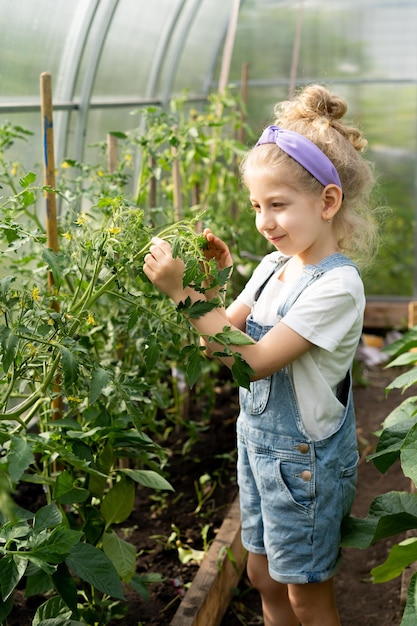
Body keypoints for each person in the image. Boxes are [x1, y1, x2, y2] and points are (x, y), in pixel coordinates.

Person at [143, 83, 378, 626]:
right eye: (256, 205)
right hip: (258, 447)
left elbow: (252, 361)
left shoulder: (335, 286)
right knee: (261, 576)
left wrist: (184, 296)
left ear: (327, 201)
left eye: (278, 205)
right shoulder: (274, 266)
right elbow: (220, 339)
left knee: (305, 594)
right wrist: (214, 285)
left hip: (304, 463)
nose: (263, 222)